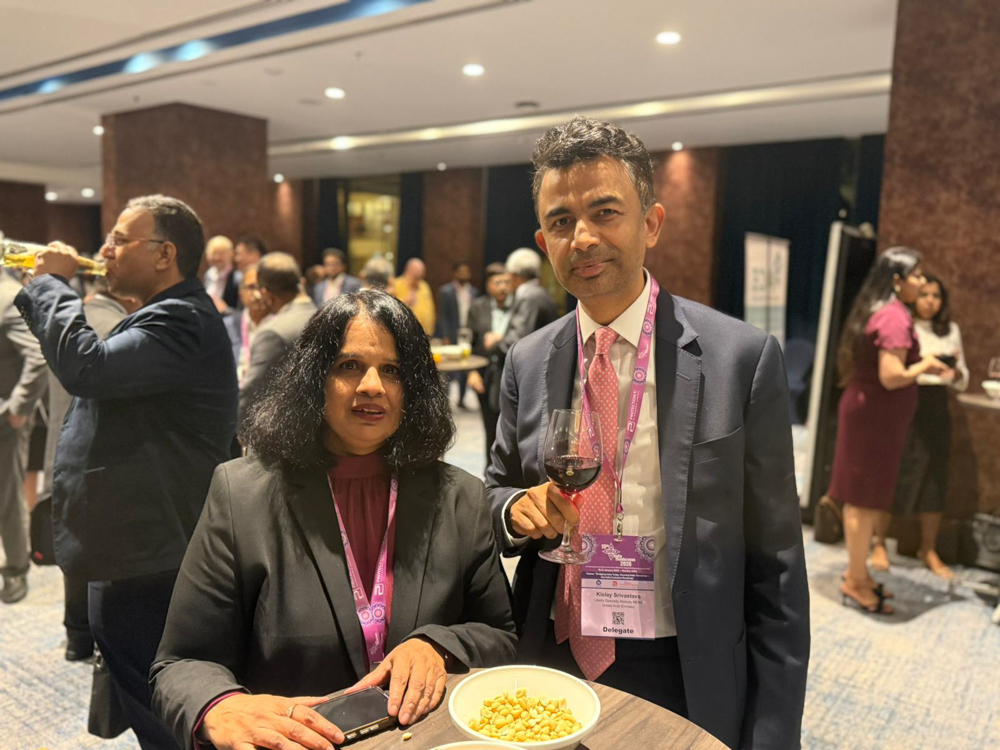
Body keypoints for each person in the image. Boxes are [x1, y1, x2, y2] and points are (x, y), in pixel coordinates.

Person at [485, 116, 810, 749]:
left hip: (683, 663)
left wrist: (772, 734)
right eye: (561, 221)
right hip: (554, 654)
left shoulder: (739, 359)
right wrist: (517, 509)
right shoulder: (528, 359)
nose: (583, 237)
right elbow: (496, 489)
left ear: (652, 223)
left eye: (605, 212)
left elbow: (777, 568)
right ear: (544, 241)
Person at [151, 290, 516, 750]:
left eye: (392, 370)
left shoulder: (461, 496)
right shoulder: (241, 494)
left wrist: (438, 646)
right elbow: (181, 664)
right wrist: (217, 706)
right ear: (313, 379)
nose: (372, 386)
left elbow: (500, 637)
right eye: (349, 366)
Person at [15, 194, 239, 750]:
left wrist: (52, 284)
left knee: (166, 709)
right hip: (141, 543)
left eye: (119, 239)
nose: (104, 250)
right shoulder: (166, 314)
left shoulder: (182, 319)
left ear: (165, 254)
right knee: (146, 697)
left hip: (156, 552)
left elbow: (86, 367)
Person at [827, 248, 952, 615]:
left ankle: (860, 574)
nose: (922, 282)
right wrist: (926, 365)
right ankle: (854, 580)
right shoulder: (894, 317)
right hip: (873, 422)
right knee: (861, 501)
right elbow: (892, 376)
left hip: (872, 419)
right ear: (897, 280)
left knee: (864, 500)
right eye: (917, 275)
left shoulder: (883, 309)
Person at [39, 278, 137, 659]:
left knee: (73, 543)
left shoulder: (63, 321)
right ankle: (93, 638)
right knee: (101, 549)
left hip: (60, 444)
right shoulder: (119, 329)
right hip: (98, 452)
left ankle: (76, 636)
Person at [875, 274, 968, 579]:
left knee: (935, 478)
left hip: (937, 405)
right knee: (894, 473)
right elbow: (894, 370)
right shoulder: (902, 323)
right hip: (906, 401)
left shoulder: (950, 329)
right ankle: (878, 543)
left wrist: (955, 374)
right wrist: (926, 364)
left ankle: (928, 548)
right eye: (925, 294)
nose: (930, 301)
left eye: (936, 296)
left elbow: (963, 375)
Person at [0, 269, 48, 605]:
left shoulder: (9, 295)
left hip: (5, 419)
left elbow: (38, 356)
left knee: (7, 495)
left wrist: (18, 407)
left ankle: (16, 569)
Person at [237, 252, 318, 428]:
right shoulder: (325, 317)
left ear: (265, 293)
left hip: (284, 432)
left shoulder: (273, 333)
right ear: (301, 282)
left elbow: (251, 395)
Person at [467, 263, 511, 456]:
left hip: (511, 373)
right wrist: (472, 371)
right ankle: (490, 469)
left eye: (506, 282)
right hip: (485, 374)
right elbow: (470, 342)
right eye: (497, 282)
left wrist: (500, 339)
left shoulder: (519, 306)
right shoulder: (478, 307)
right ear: (488, 285)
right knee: (490, 428)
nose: (502, 287)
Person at [496, 247, 559, 359]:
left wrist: (495, 343)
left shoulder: (529, 297)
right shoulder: (538, 292)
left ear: (514, 274)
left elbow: (517, 342)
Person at [438, 261, 479, 409]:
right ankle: (447, 401)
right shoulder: (446, 291)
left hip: (468, 332)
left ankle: (462, 398)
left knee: (465, 366)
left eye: (466, 271)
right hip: (452, 332)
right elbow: (443, 315)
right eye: (461, 271)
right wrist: (445, 335)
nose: (464, 274)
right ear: (455, 273)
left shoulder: (473, 291)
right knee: (449, 367)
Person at [392, 258, 435, 335]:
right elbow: (391, 309)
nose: (418, 279)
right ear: (408, 270)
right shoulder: (396, 285)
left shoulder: (424, 286)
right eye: (416, 276)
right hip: (404, 333)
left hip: (425, 334)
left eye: (421, 276)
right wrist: (405, 301)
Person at [202, 235, 239, 312]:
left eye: (221, 254)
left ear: (231, 254)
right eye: (213, 253)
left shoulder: (238, 279)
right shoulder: (208, 276)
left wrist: (226, 310)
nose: (217, 258)